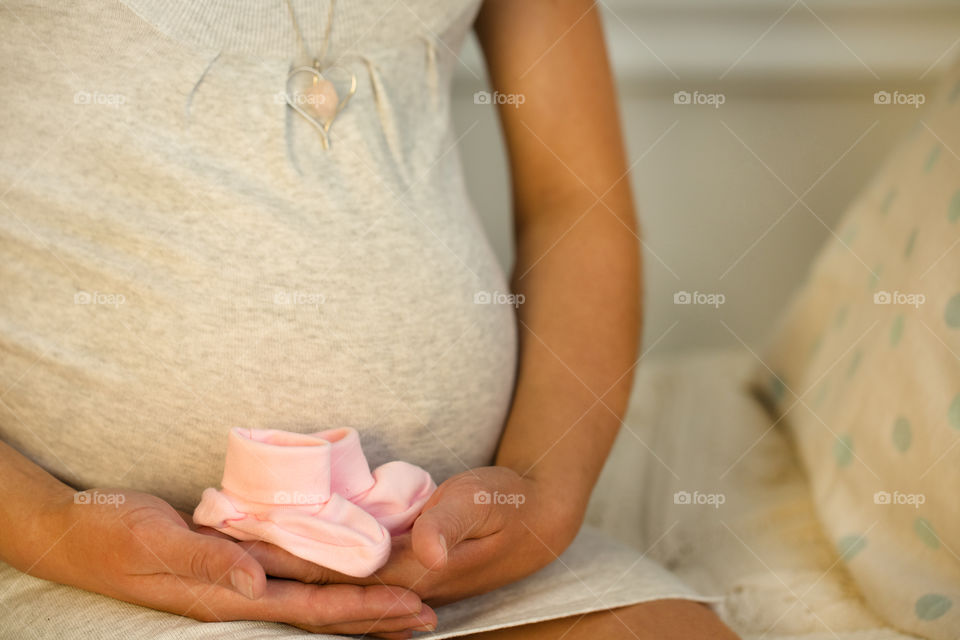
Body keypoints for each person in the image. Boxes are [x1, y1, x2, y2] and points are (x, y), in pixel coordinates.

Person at [0, 1, 738, 638]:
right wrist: (47, 528)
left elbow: (576, 204)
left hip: (452, 564)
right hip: (85, 561)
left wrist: (542, 491)